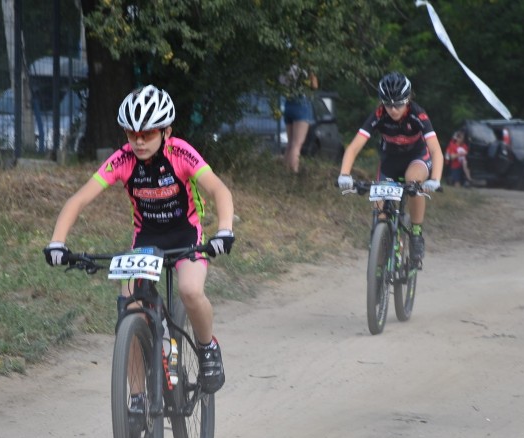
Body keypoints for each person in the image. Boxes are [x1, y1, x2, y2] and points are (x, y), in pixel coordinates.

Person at [43, 85, 236, 406]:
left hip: (185, 235)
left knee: (189, 290)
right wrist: (57, 242)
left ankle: (207, 347)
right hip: (146, 240)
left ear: (166, 131)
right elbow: (79, 199)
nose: (139, 141)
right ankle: (136, 397)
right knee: (129, 310)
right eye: (132, 134)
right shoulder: (122, 160)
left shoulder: (181, 153)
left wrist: (225, 231)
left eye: (147, 134)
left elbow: (219, 190)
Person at [337, 71, 443, 265]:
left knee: (413, 182)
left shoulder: (417, 114)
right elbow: (353, 147)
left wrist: (435, 179)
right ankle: (383, 248)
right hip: (390, 162)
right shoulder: (379, 115)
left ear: (408, 100)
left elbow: (435, 150)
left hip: (416, 158)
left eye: (398, 104)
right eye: (388, 104)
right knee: (380, 210)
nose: (393, 110)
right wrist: (344, 174)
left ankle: (416, 234)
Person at [280, 65, 318, 173]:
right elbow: (314, 85)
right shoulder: (304, 67)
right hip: (301, 102)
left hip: (288, 103)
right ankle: (293, 172)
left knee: (290, 143)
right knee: (297, 144)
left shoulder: (284, 68)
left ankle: (285, 171)